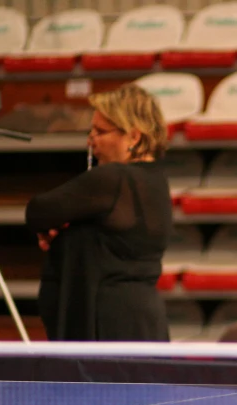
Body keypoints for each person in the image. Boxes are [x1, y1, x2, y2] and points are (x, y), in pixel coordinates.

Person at [25, 83, 173, 341]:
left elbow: (38, 211)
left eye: (100, 131)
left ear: (133, 136)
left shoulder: (113, 178)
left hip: (108, 324)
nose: (90, 139)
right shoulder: (157, 181)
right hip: (143, 322)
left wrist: (57, 227)